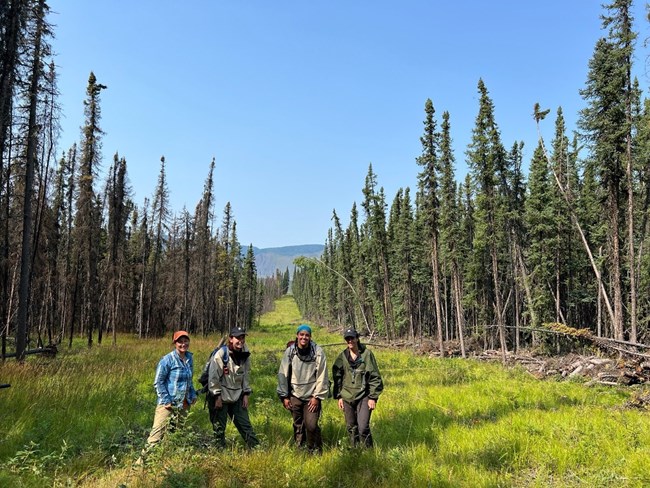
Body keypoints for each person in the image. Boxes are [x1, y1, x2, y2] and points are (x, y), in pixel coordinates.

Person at [277, 324, 329, 454]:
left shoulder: (318, 352)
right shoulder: (290, 352)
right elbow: (282, 374)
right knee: (298, 424)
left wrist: (316, 397)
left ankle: (314, 449)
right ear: (297, 335)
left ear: (310, 337)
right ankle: (300, 449)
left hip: (312, 396)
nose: (304, 337)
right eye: (301, 334)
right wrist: (284, 396)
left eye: (307, 335)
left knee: (311, 425)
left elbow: (322, 375)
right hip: (295, 395)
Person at [207, 326, 259, 449]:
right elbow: (213, 377)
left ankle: (257, 449)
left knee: (245, 425)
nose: (240, 341)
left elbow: (246, 374)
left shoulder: (245, 352)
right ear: (231, 339)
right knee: (219, 428)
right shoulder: (221, 354)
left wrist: (246, 394)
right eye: (237, 338)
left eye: (243, 338)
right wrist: (217, 396)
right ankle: (219, 453)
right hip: (220, 396)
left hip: (237, 396)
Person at [145, 330, 198, 447]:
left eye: (186, 341)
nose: (183, 344)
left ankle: (168, 461)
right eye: (180, 342)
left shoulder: (189, 358)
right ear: (175, 343)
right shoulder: (167, 360)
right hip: (168, 405)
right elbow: (158, 382)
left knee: (176, 435)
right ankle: (141, 463)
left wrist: (193, 394)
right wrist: (166, 400)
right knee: (156, 436)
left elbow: (189, 380)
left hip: (184, 404)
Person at [332, 327, 383, 448]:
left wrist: (373, 397)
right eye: (347, 339)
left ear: (357, 339)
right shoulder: (342, 356)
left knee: (363, 427)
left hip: (364, 396)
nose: (350, 341)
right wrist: (339, 396)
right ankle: (355, 451)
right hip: (347, 396)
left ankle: (368, 453)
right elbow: (337, 376)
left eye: (352, 338)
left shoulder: (366, 354)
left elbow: (375, 376)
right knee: (351, 427)